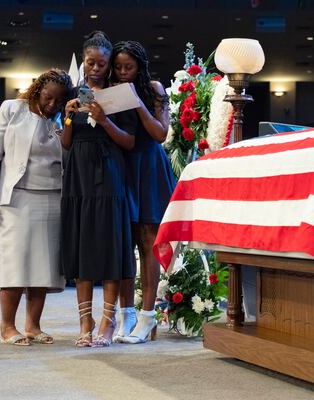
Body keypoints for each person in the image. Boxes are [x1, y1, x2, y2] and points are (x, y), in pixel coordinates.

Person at [0, 69, 73, 346]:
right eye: (48, 97)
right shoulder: (11, 109)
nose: (52, 104)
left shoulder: (62, 121)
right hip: (15, 200)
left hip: (52, 198)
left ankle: (33, 325)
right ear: (38, 89)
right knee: (14, 265)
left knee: (43, 266)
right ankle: (7, 326)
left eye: (58, 100)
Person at [61, 31, 137, 348]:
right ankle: (84, 321)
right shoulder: (75, 95)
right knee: (81, 248)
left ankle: (107, 322)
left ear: (108, 65)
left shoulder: (120, 95)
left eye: (101, 63)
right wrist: (66, 118)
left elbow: (130, 142)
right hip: (78, 178)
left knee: (108, 250)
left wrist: (105, 120)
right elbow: (66, 144)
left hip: (109, 177)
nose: (95, 68)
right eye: (90, 62)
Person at [110, 40, 175, 344]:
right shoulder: (110, 89)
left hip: (148, 167)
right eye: (119, 67)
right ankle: (127, 315)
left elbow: (160, 134)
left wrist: (135, 100)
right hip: (122, 166)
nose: (123, 72)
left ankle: (148, 315)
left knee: (148, 241)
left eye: (129, 67)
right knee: (125, 243)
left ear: (140, 66)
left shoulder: (154, 88)